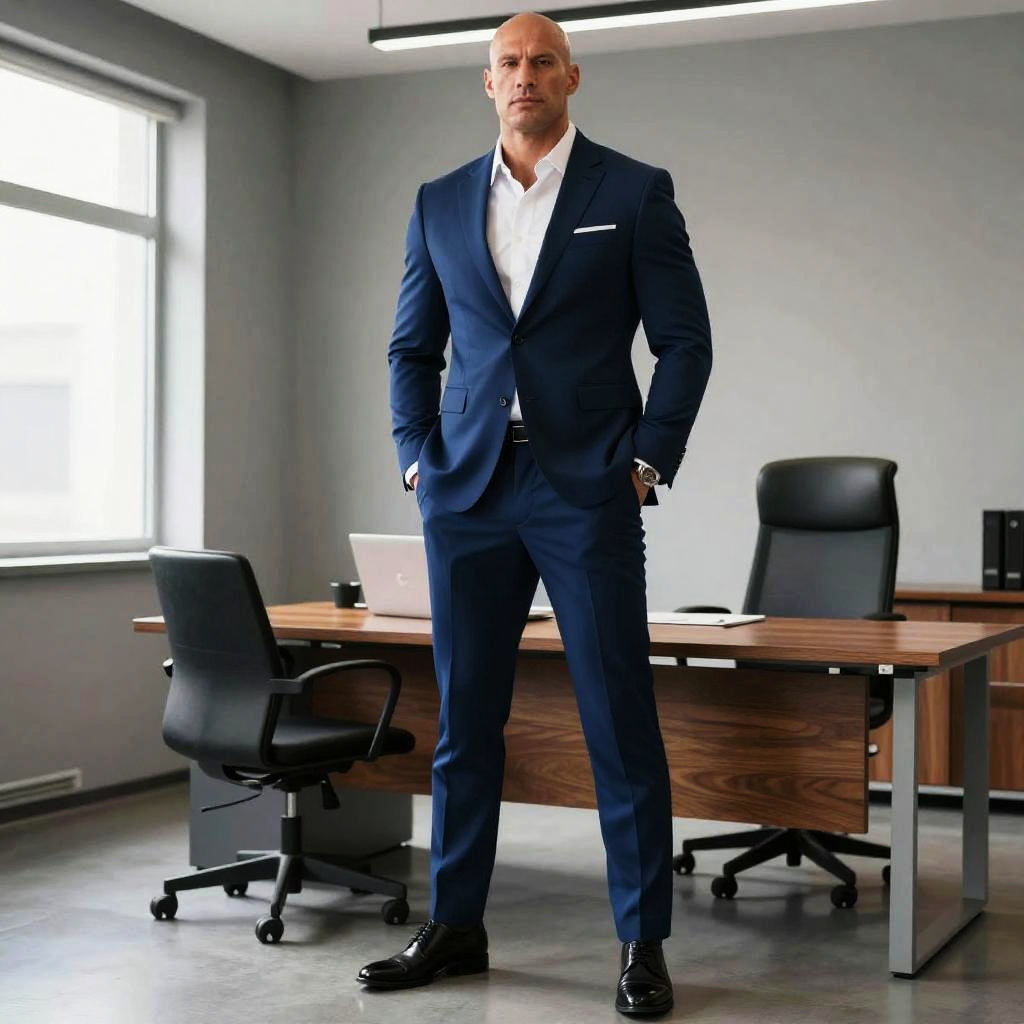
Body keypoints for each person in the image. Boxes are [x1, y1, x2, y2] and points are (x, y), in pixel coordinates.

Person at [358, 11, 712, 1016]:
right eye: (507, 63)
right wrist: (413, 460)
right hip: (465, 492)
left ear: (571, 76)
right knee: (465, 723)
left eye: (540, 61)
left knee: (616, 722)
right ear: (487, 82)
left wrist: (646, 462)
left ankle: (641, 943)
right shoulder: (435, 201)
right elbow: (409, 350)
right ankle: (455, 924)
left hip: (584, 487)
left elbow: (684, 342)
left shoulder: (634, 193)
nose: (524, 76)